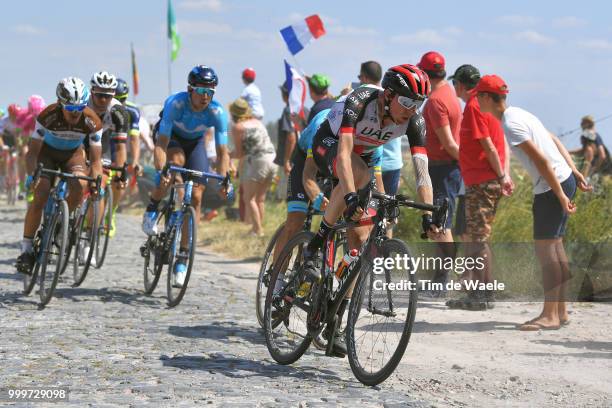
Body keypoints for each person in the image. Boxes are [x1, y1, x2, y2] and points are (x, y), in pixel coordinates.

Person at [302, 64, 440, 357]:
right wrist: (351, 194)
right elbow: (343, 152)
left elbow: (422, 172)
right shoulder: (360, 101)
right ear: (387, 95)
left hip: (363, 156)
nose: (412, 109)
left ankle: (336, 319)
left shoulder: (413, 122)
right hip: (331, 144)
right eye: (406, 102)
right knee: (358, 175)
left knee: (360, 240)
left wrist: (428, 213)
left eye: (418, 103)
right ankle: (314, 247)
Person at [475, 74, 591, 330]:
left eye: (477, 96)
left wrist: (559, 195)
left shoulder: (510, 124)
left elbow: (541, 161)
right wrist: (575, 172)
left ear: (486, 97)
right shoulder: (521, 113)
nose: (476, 102)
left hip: (552, 187)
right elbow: (555, 141)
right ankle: (559, 312)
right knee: (556, 247)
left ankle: (549, 316)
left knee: (546, 251)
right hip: (563, 179)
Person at [142, 65, 230, 287]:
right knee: (176, 164)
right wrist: (162, 169)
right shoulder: (176, 103)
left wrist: (224, 178)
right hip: (169, 138)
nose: (205, 97)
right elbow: (161, 144)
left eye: (210, 92)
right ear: (190, 89)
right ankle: (153, 207)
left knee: (197, 197)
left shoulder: (217, 113)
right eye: (201, 91)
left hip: (195, 143)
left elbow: (222, 152)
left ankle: (182, 257)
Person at [16, 77, 103, 273]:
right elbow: (32, 152)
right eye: (71, 109)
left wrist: (97, 181)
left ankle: (58, 225)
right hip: (46, 154)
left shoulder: (92, 120)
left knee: (81, 186)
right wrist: (32, 175)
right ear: (60, 103)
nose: (75, 113)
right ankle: (27, 248)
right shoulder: (47, 115)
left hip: (72, 155)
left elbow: (96, 160)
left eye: (80, 108)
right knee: (41, 193)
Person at [449, 64, 513, 309]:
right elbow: (499, 143)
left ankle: (481, 295)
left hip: (482, 181)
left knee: (477, 239)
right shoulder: (483, 104)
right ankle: (482, 293)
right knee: (479, 237)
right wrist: (503, 173)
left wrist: (501, 176)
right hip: (485, 179)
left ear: (461, 85)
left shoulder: (475, 105)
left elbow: (488, 145)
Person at [418, 51, 463, 291]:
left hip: (443, 168)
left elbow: (448, 143)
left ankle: (442, 281)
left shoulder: (436, 100)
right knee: (441, 223)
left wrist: (465, 163)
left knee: (441, 225)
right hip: (446, 167)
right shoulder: (450, 94)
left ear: (425, 73)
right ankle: (440, 278)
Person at [86, 71, 130, 248]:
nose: (103, 100)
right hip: (79, 138)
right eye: (99, 95)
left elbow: (120, 147)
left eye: (107, 96)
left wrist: (120, 173)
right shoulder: (83, 104)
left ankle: (90, 236)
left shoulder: (118, 111)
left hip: (101, 141)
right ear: (92, 92)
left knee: (101, 183)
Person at [229, 98, 276, 237]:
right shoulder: (258, 122)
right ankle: (258, 228)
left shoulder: (238, 127)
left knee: (249, 198)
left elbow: (239, 153)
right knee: (260, 199)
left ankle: (257, 230)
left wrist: (227, 154)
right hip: (273, 159)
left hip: (259, 161)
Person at [115, 78, 143, 209]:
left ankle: (112, 211)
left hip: (122, 145)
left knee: (120, 181)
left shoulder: (133, 111)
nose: (119, 103)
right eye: (116, 99)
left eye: (122, 99)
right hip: (106, 142)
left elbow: (134, 138)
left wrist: (136, 161)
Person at [273, 84, 297, 200]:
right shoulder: (299, 109)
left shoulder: (288, 111)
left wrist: (286, 160)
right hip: (297, 157)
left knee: (284, 194)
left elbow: (290, 136)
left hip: (289, 158)